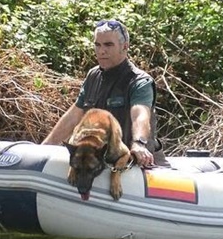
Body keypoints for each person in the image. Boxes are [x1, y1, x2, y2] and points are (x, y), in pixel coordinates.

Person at [43, 19, 160, 168]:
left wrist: (139, 144)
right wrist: (45, 146)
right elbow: (73, 116)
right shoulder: (93, 75)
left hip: (135, 162)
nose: (101, 51)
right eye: (97, 45)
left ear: (125, 47)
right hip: (100, 160)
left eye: (108, 45)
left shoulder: (139, 81)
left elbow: (140, 115)